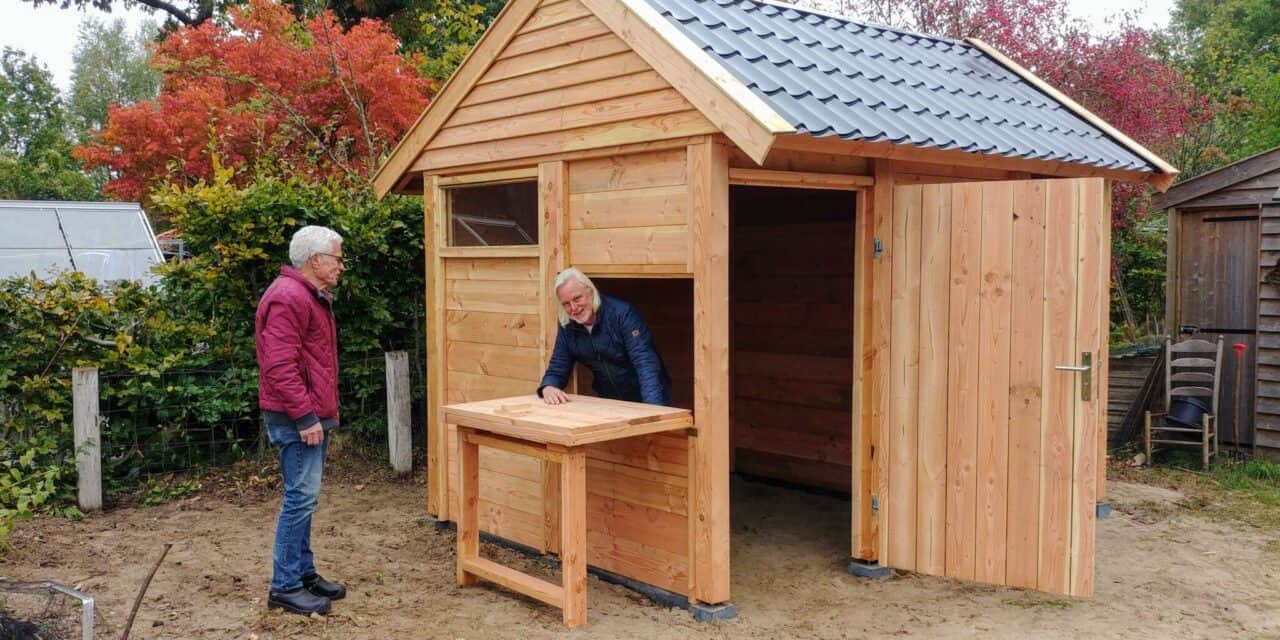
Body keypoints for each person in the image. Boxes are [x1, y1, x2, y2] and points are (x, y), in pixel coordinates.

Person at [256, 225, 348, 616]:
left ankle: (304, 573)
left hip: (310, 416)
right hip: (298, 419)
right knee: (299, 499)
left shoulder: (308, 295)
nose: (342, 266)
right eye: (338, 258)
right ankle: (285, 586)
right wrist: (306, 417)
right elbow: (279, 366)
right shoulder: (289, 297)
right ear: (315, 260)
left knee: (305, 499)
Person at [538, 267, 671, 406]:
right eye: (566, 303)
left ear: (590, 291)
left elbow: (645, 363)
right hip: (608, 400)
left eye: (577, 298)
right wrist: (548, 386)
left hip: (647, 395)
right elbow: (559, 364)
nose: (574, 307)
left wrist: (653, 409)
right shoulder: (567, 324)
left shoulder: (622, 313)